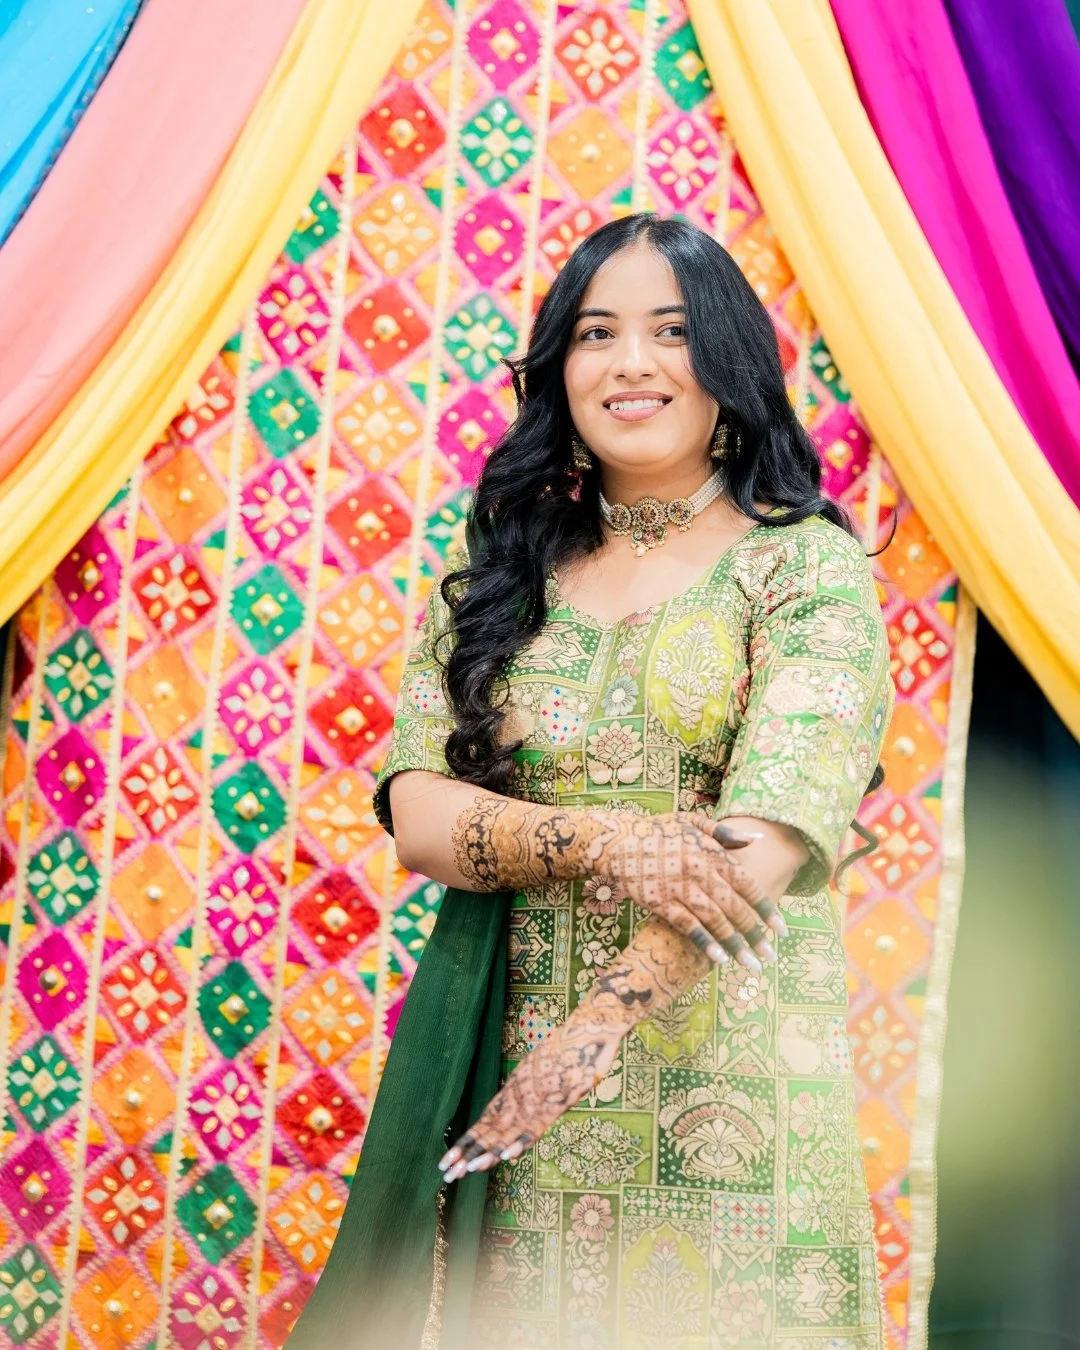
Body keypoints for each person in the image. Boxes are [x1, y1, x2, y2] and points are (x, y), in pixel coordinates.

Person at [288, 213, 893, 1349]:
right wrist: (613, 841)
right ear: (558, 367)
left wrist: (594, 1035)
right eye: (596, 333)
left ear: (729, 366)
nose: (630, 364)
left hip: (731, 1104)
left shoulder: (802, 566)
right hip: (516, 1088)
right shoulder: (498, 582)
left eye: (671, 331)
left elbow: (766, 836)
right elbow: (420, 817)